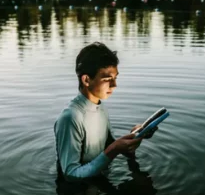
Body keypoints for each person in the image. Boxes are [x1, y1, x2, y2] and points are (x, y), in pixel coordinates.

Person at [53, 41, 157, 182]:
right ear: (86, 80)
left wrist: (134, 137)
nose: (114, 85)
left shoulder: (100, 107)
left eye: (115, 78)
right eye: (108, 79)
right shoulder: (71, 117)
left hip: (100, 184)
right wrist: (114, 149)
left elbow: (108, 147)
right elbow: (70, 174)